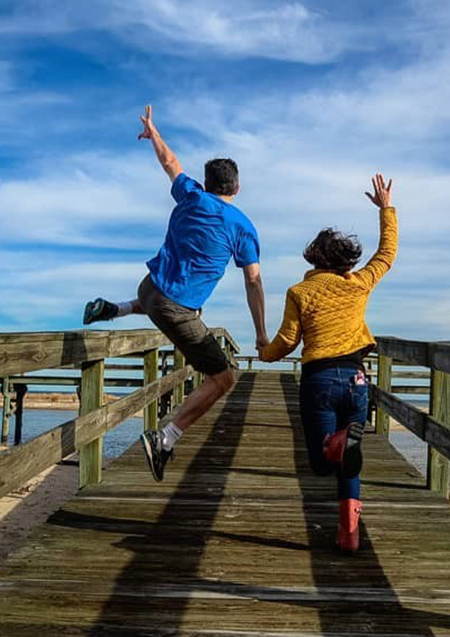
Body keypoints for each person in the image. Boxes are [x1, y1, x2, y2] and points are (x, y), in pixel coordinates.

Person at [84, 105, 268, 481]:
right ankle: (165, 438)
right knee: (223, 378)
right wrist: (262, 334)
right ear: (236, 187)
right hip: (175, 307)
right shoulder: (242, 226)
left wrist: (154, 133)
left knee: (154, 305)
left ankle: (112, 309)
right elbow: (253, 281)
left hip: (149, 288)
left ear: (208, 182)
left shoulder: (191, 197)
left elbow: (170, 162)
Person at [259, 174, 397, 552]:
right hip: (356, 380)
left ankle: (337, 444)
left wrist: (265, 353)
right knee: (350, 464)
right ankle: (349, 535)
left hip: (319, 380)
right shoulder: (359, 283)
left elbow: (287, 340)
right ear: (345, 260)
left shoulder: (300, 291)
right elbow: (386, 254)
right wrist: (386, 209)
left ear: (312, 259)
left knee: (322, 463)